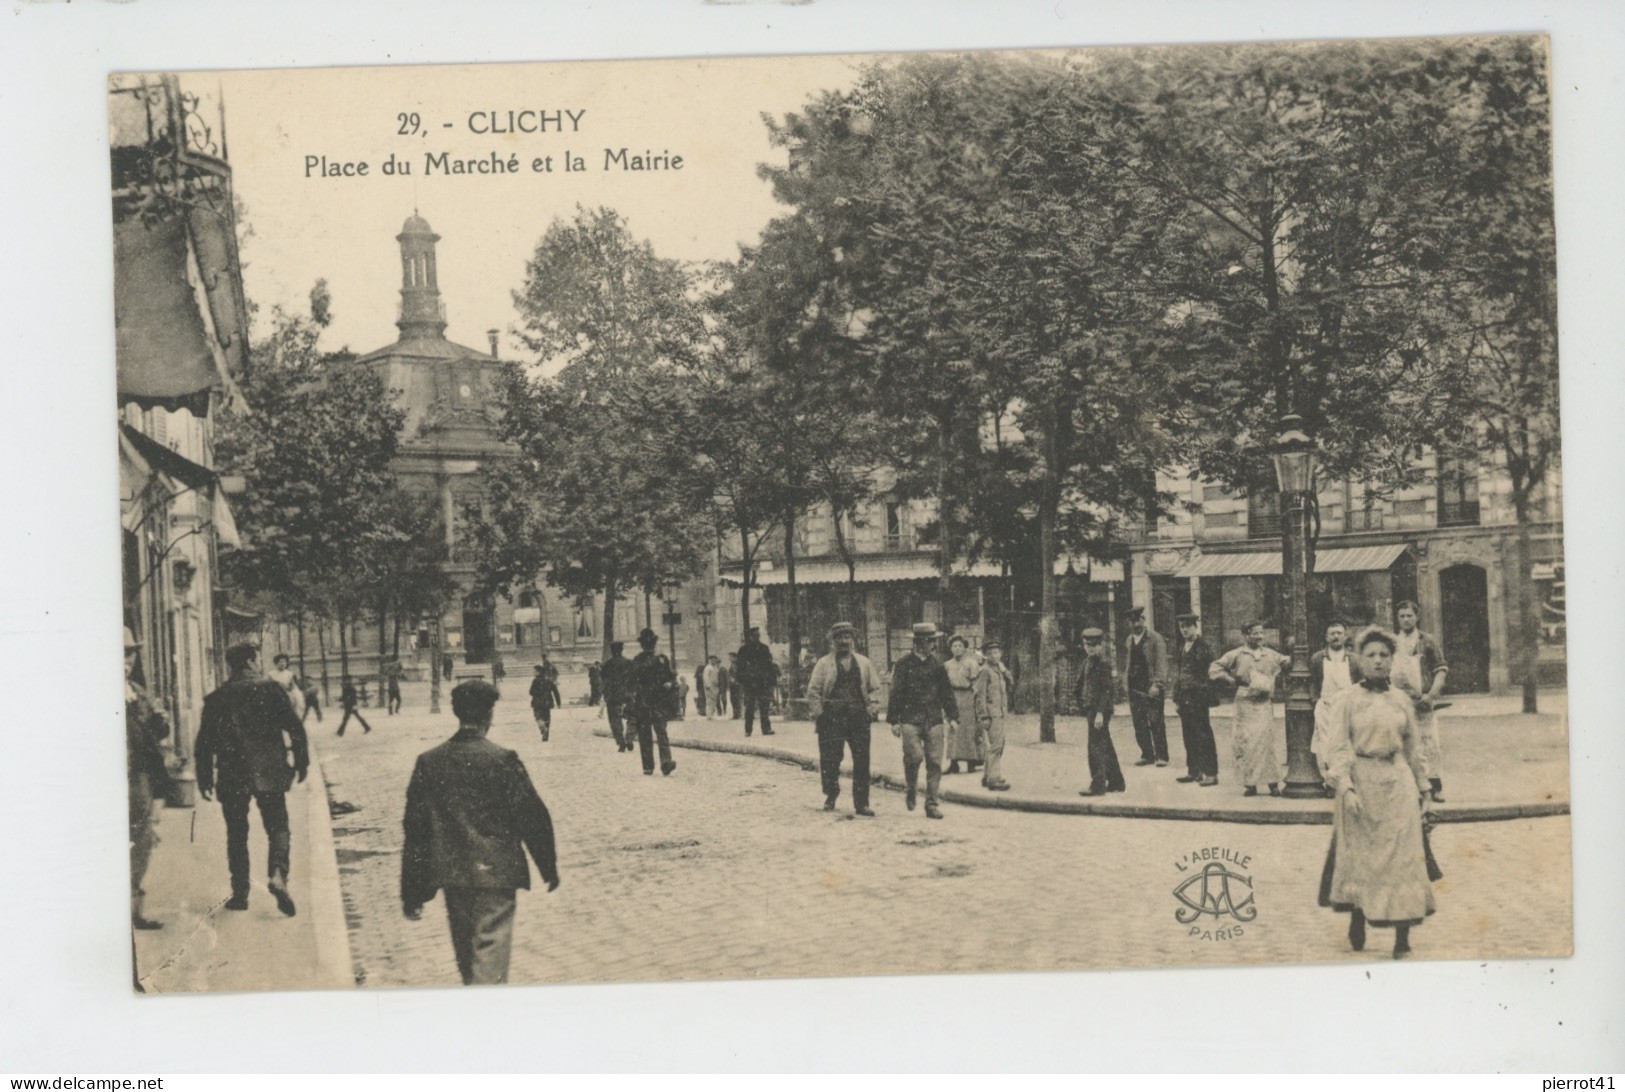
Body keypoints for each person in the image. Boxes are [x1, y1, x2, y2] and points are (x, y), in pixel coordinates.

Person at [401, 679, 559, 985]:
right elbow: (533, 817)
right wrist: (548, 866)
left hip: (454, 876)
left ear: (457, 713)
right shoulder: (502, 760)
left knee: (468, 961)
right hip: (497, 876)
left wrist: (413, 891)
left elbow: (415, 831)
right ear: (489, 715)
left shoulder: (429, 762)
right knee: (488, 964)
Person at [1318, 628, 1436, 960]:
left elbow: (1414, 749)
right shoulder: (1347, 700)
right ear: (1360, 660)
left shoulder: (1401, 699)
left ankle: (1403, 936)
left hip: (1397, 783)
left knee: (1403, 860)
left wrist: (1424, 788)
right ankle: (1358, 917)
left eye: (1384, 655)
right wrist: (1346, 787)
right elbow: (1337, 748)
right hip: (1361, 785)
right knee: (1364, 860)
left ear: (1392, 659)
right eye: (1371, 655)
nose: (1379, 661)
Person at [194, 643, 309, 916]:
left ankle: (240, 894)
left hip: (232, 775)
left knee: (236, 833)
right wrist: (301, 762)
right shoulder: (271, 690)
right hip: (269, 771)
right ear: (250, 661)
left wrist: (204, 778)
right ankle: (278, 874)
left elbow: (204, 744)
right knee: (278, 826)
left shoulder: (216, 698)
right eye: (256, 659)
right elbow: (295, 728)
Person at [805, 621, 882, 816]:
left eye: (847, 637)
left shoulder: (864, 663)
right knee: (830, 760)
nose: (844, 641)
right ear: (833, 641)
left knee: (862, 761)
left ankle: (861, 803)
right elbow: (813, 692)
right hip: (832, 719)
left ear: (852, 640)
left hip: (858, 718)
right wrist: (820, 715)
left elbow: (875, 689)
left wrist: (871, 710)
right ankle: (831, 794)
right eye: (839, 638)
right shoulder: (824, 664)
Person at [1210, 620, 1290, 796]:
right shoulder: (1237, 654)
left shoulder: (1269, 653)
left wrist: (1285, 661)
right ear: (1246, 636)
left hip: (1263, 702)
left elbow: (1284, 661)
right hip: (1245, 701)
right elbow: (1214, 668)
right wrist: (1229, 679)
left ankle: (1272, 783)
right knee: (1246, 742)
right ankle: (1250, 784)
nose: (1260, 636)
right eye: (1255, 633)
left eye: (1261, 633)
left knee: (1266, 742)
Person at [886, 622, 958, 819]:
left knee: (935, 762)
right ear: (919, 643)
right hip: (910, 719)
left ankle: (931, 804)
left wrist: (953, 716)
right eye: (930, 641)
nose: (933, 645)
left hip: (934, 719)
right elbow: (896, 693)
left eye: (933, 641)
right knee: (915, 757)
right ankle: (911, 788)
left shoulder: (937, 664)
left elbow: (946, 692)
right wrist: (894, 721)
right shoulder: (903, 664)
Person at [125, 627, 170, 931]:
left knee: (141, 841)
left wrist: (160, 722)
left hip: (138, 779)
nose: (125, 660)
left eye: (129, 653)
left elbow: (156, 733)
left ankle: (134, 909)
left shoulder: (137, 691)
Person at [1393, 601, 1449, 803]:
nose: (1406, 619)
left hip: (1423, 702)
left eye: (1409, 615)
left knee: (1429, 742)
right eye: (1402, 616)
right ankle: (1411, 787)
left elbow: (1441, 669)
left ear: (1417, 617)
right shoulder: (1393, 643)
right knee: (1405, 744)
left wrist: (1431, 695)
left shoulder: (1427, 641)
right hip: (1401, 703)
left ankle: (1436, 786)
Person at [1075, 626, 1125, 796]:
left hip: (1099, 712)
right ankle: (1117, 781)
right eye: (1088, 644)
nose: (1091, 647)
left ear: (1101, 645)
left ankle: (1097, 785)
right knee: (1105, 745)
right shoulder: (1086, 662)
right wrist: (1082, 704)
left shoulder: (1103, 665)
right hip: (1091, 709)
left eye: (1094, 644)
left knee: (1095, 747)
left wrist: (1100, 713)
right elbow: (1080, 684)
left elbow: (1107, 691)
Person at [1311, 620, 1362, 785]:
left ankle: (1347, 782)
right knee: (1326, 747)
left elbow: (1361, 684)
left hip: (1348, 709)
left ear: (1345, 636)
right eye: (1332, 634)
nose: (1336, 637)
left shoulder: (1354, 659)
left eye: (1339, 633)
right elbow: (1313, 681)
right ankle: (1331, 783)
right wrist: (1315, 700)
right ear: (1326, 637)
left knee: (1347, 746)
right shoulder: (1318, 658)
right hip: (1326, 708)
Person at [1171, 614, 1220, 787]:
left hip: (1198, 698)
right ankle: (1194, 770)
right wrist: (1176, 697)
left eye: (1188, 626)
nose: (1184, 630)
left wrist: (1201, 694)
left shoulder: (1203, 647)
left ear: (1195, 627)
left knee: (1203, 734)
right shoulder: (1182, 646)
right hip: (1184, 698)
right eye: (1182, 626)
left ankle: (1211, 773)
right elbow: (1179, 674)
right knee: (1188, 735)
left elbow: (1208, 674)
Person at [1120, 606, 1171, 768]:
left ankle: (1162, 756)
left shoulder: (1155, 639)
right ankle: (1147, 754)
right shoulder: (1129, 640)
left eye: (1138, 620)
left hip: (1151, 687)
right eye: (1132, 621)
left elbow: (1162, 663)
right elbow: (1127, 663)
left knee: (1156, 720)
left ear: (1144, 619)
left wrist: (1157, 684)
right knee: (1139, 721)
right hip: (1134, 687)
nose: (1135, 624)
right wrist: (1125, 681)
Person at [627, 628, 678, 776]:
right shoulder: (660, 659)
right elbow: (670, 678)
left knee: (646, 734)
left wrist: (669, 683)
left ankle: (653, 765)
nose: (649, 646)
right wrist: (668, 683)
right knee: (659, 732)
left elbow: (631, 682)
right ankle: (662, 762)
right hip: (655, 701)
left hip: (647, 702)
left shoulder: (639, 660)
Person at [972, 638, 1014, 791]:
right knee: (996, 745)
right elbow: (979, 696)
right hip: (991, 714)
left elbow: (1011, 683)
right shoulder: (985, 671)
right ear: (986, 656)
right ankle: (993, 779)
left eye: (996, 653)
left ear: (1001, 654)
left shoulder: (999, 670)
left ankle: (987, 776)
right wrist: (983, 716)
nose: (994, 656)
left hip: (1000, 712)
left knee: (999, 744)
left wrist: (1004, 670)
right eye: (990, 654)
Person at [943, 635, 985, 776]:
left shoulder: (971, 663)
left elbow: (976, 683)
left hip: (967, 698)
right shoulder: (947, 665)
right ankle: (953, 763)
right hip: (952, 698)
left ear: (965, 648)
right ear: (951, 649)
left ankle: (971, 762)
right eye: (955, 646)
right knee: (953, 729)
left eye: (960, 646)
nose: (958, 648)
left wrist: (976, 700)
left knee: (968, 729)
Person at [735, 627, 777, 737]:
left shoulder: (764, 648)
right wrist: (743, 680)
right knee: (750, 707)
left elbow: (769, 665)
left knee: (764, 706)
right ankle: (748, 730)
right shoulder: (743, 650)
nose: (757, 637)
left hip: (763, 682)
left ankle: (766, 729)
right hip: (750, 682)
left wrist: (772, 680)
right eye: (755, 635)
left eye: (758, 635)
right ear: (750, 637)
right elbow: (740, 667)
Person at [600, 641, 633, 752]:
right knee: (632, 718)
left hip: (613, 696)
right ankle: (630, 738)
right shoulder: (629, 662)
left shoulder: (607, 665)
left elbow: (603, 680)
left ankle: (621, 741)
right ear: (622, 649)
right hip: (628, 695)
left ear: (612, 651)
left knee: (614, 720)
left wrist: (605, 694)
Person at [267, 653, 306, 719]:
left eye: (285, 662)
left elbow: (292, 685)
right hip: (275, 691)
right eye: (281, 661)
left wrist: (287, 688)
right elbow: (269, 685)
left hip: (287, 691)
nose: (283, 663)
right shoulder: (271, 674)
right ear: (276, 663)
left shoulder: (289, 674)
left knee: (294, 699)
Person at [529, 664, 557, 741]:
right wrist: (558, 702)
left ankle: (543, 728)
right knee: (547, 718)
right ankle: (545, 737)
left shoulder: (535, 681)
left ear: (539, 672)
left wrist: (538, 693)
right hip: (547, 702)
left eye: (534, 671)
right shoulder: (548, 680)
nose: (533, 672)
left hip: (537, 702)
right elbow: (555, 691)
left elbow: (531, 692)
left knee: (538, 717)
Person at [728, 652, 744, 720]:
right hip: (734, 684)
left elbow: (736, 674)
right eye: (729, 657)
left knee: (736, 699)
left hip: (736, 684)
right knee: (734, 699)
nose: (729, 658)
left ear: (735, 658)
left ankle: (737, 714)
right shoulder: (732, 664)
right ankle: (736, 714)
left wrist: (734, 680)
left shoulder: (735, 665)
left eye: (731, 657)